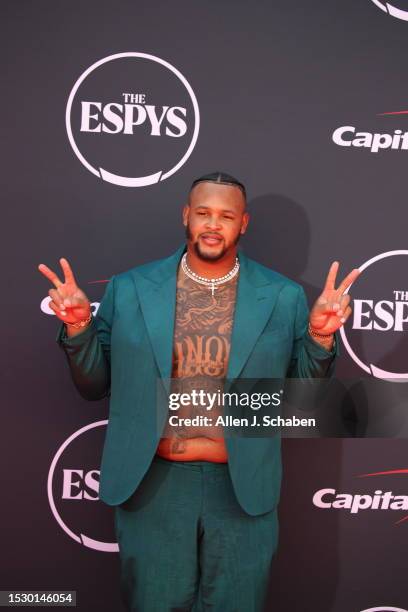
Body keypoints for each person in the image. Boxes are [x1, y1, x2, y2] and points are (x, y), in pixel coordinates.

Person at [38, 172, 359, 612]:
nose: (213, 224)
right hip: (155, 486)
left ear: (242, 223)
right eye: (204, 213)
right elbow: (94, 385)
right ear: (186, 216)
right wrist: (78, 327)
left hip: (242, 489)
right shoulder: (131, 288)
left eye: (226, 215)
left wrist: (320, 339)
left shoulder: (283, 297)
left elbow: (301, 399)